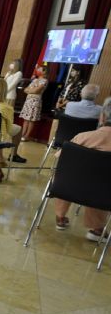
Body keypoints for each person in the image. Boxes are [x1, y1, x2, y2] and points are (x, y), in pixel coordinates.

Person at [54, 98, 111, 241]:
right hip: (105, 195)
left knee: (67, 172)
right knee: (103, 180)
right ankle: (97, 229)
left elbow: (59, 158)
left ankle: (60, 216)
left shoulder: (83, 137)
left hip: (68, 188)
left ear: (102, 116)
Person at [19, 65, 48, 141]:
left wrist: (31, 90)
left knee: (31, 119)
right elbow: (25, 90)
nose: (38, 70)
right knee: (26, 119)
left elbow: (36, 91)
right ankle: (22, 134)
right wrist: (32, 90)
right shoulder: (35, 80)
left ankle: (27, 136)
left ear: (44, 71)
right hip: (28, 101)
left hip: (35, 101)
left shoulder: (44, 81)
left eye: (40, 69)